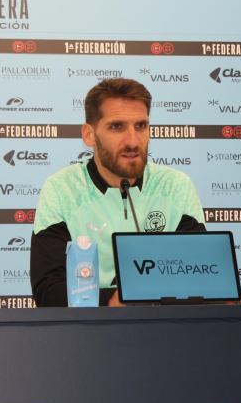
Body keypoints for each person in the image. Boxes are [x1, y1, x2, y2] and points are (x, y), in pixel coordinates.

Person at [30, 78, 206, 307]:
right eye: (116, 127)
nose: (132, 141)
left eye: (141, 126)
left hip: (164, 326)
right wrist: (111, 301)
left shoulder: (175, 185)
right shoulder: (61, 189)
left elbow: (200, 281)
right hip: (90, 327)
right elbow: (48, 291)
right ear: (89, 134)